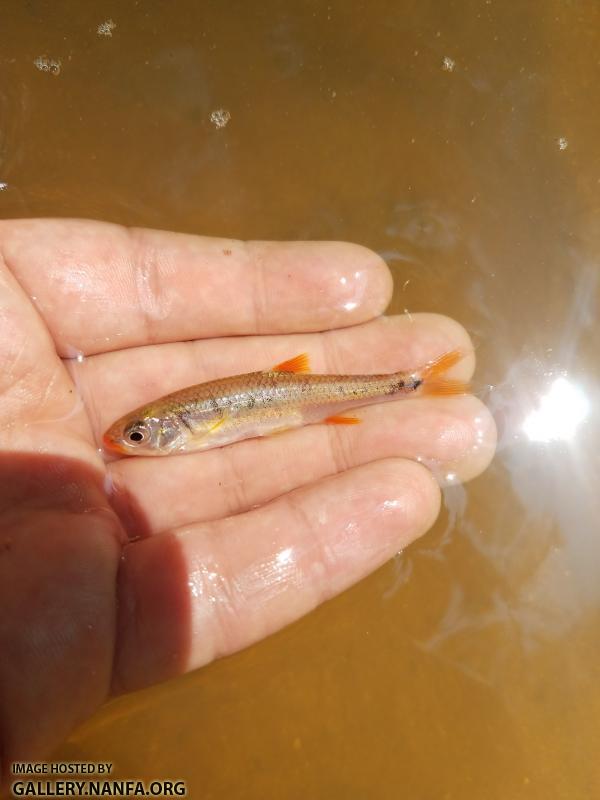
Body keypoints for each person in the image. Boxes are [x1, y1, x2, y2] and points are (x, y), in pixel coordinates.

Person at [0, 218, 495, 773]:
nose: (127, 442)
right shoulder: (175, 421)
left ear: (168, 428)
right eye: (134, 437)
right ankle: (413, 382)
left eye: (137, 436)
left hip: (300, 399)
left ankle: (413, 382)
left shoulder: (183, 420)